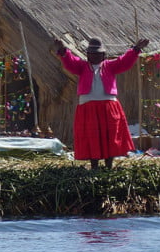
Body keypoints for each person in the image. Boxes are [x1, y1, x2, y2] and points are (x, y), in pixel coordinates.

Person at [54, 36, 149, 170]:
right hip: (88, 107)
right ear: (87, 55)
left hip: (108, 106)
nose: (95, 56)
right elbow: (70, 63)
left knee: (109, 136)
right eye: (92, 53)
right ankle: (94, 167)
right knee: (93, 136)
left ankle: (109, 166)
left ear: (103, 55)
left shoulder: (110, 66)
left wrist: (136, 49)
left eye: (98, 53)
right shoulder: (81, 67)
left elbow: (125, 62)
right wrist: (63, 50)